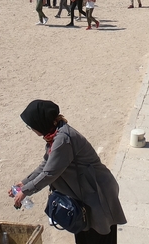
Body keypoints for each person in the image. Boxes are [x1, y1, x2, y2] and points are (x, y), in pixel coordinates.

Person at [12, 100, 126, 242]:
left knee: (99, 234)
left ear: (40, 122)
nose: (32, 129)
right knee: (85, 232)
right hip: (84, 191)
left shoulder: (62, 139)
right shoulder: (54, 136)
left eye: (31, 126)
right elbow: (46, 164)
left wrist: (26, 191)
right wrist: (24, 183)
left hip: (97, 192)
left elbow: (50, 173)